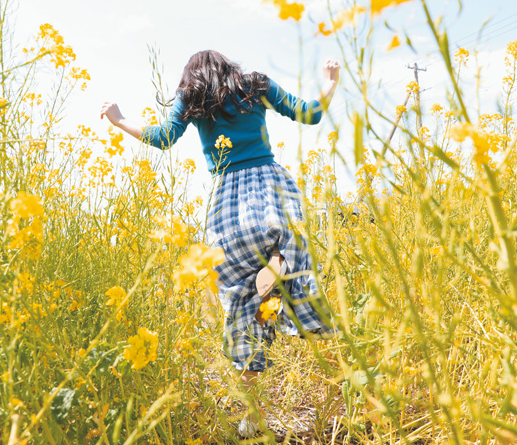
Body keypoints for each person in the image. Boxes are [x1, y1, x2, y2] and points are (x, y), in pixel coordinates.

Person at [100, 50, 340, 438]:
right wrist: (329, 83)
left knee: (241, 305)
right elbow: (309, 112)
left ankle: (252, 415)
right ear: (230, 67)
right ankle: (282, 268)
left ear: (192, 79)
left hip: (228, 208)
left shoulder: (193, 99)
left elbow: (162, 139)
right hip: (271, 191)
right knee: (295, 248)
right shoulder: (256, 85)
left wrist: (119, 119)